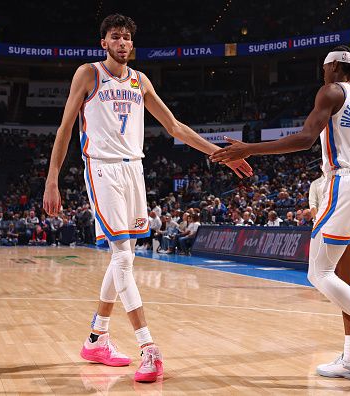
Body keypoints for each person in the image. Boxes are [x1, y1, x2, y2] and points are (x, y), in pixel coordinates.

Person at [42, 14, 252, 383]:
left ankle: (96, 338)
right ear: (103, 43)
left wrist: (220, 154)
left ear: (132, 46)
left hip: (134, 170)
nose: (122, 43)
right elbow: (64, 128)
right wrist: (52, 180)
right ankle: (148, 347)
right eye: (115, 37)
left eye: (127, 38)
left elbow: (175, 127)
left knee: (125, 256)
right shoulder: (88, 74)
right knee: (122, 255)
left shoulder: (140, 81)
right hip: (103, 168)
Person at [211, 45, 350, 380]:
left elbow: (306, 138)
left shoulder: (331, 91)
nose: (323, 74)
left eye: (324, 68)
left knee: (318, 274)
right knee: (345, 276)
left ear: (332, 66)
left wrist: (249, 149)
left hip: (343, 184)